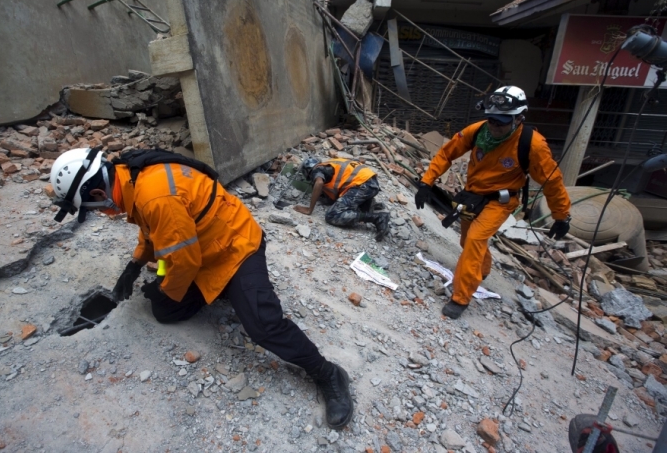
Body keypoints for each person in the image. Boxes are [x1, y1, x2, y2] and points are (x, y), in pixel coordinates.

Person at [49, 147, 354, 430]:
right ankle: (222, 291)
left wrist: (166, 288)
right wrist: (136, 263)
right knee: (165, 311)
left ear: (100, 192)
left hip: (235, 245)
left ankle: (328, 373)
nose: (103, 213)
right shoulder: (130, 176)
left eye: (96, 208)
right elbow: (152, 229)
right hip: (203, 250)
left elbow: (184, 260)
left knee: (262, 326)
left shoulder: (153, 195)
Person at [414, 86, 572, 319]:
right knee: (468, 239)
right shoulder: (477, 132)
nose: (496, 127)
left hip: (501, 201)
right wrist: (426, 182)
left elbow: (552, 182)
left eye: (502, 122)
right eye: (492, 121)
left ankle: (460, 297)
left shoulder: (533, 145)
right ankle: (483, 269)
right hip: (472, 197)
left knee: (476, 239)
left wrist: (561, 215)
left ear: (518, 118)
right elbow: (447, 153)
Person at [294, 156, 390, 241]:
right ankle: (365, 203)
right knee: (343, 205)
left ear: (308, 171)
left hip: (362, 186)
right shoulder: (330, 163)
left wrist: (309, 209)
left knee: (332, 215)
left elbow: (319, 183)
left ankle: (378, 218)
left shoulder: (317, 170)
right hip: (371, 182)